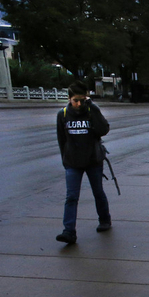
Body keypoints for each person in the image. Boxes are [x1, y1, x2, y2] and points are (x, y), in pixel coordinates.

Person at [55, 81, 111, 244]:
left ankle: (104, 219)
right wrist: (65, 160)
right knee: (71, 196)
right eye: (75, 100)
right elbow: (61, 140)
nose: (78, 104)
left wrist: (92, 107)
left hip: (93, 160)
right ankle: (69, 231)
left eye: (82, 100)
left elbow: (103, 130)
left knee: (98, 192)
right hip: (73, 162)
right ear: (69, 99)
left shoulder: (91, 111)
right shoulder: (63, 114)